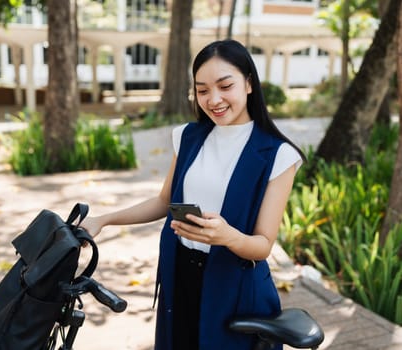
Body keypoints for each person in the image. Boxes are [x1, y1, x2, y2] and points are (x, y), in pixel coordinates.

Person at [80, 39, 305, 350]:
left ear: (249, 84)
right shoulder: (188, 137)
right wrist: (103, 220)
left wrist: (227, 236)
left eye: (225, 86)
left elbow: (263, 245)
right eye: (202, 90)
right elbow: (164, 202)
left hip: (235, 286)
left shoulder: (277, 155)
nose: (214, 99)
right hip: (180, 273)